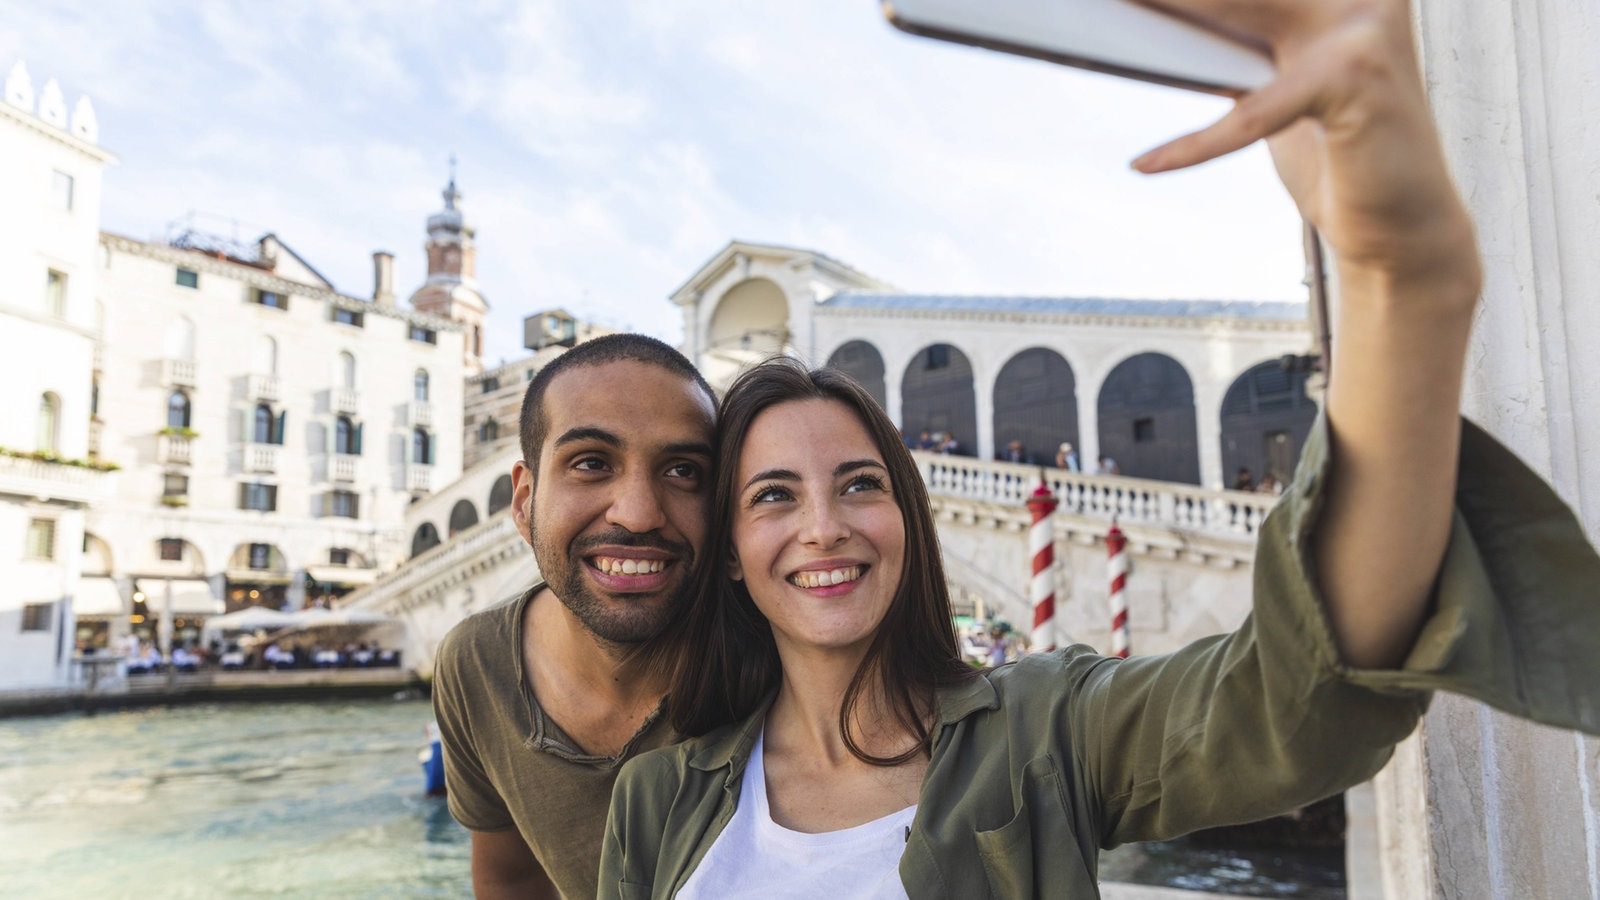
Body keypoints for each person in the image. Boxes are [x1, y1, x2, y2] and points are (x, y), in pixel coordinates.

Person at [599, 2, 1600, 895]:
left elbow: (1295, 700)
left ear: (908, 513)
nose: (824, 525)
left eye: (861, 482)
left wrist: (1400, 272)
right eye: (773, 495)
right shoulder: (656, 803)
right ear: (727, 548)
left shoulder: (1044, 733)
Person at [432, 334, 717, 900]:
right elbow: (512, 881)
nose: (638, 514)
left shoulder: (775, 660)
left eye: (683, 471)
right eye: (591, 463)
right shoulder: (475, 665)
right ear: (524, 502)